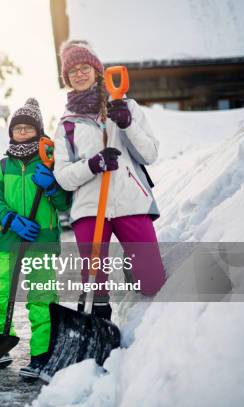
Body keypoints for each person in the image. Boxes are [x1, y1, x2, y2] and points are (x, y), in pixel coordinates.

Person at [53, 40, 167, 320]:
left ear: (97, 70)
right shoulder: (67, 124)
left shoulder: (126, 106)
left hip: (131, 202)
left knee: (152, 282)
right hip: (90, 208)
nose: (79, 74)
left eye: (84, 68)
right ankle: (97, 328)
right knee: (94, 284)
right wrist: (92, 165)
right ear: (66, 78)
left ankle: (134, 271)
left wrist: (127, 124)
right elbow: (63, 177)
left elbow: (150, 153)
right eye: (72, 71)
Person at [0, 98, 71, 380]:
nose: (21, 132)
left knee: (41, 299)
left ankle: (42, 355)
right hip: (10, 242)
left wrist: (53, 186)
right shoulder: (3, 165)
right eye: (17, 128)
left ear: (38, 131)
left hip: (42, 244)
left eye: (27, 128)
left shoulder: (50, 162)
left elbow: (64, 203)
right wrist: (10, 219)